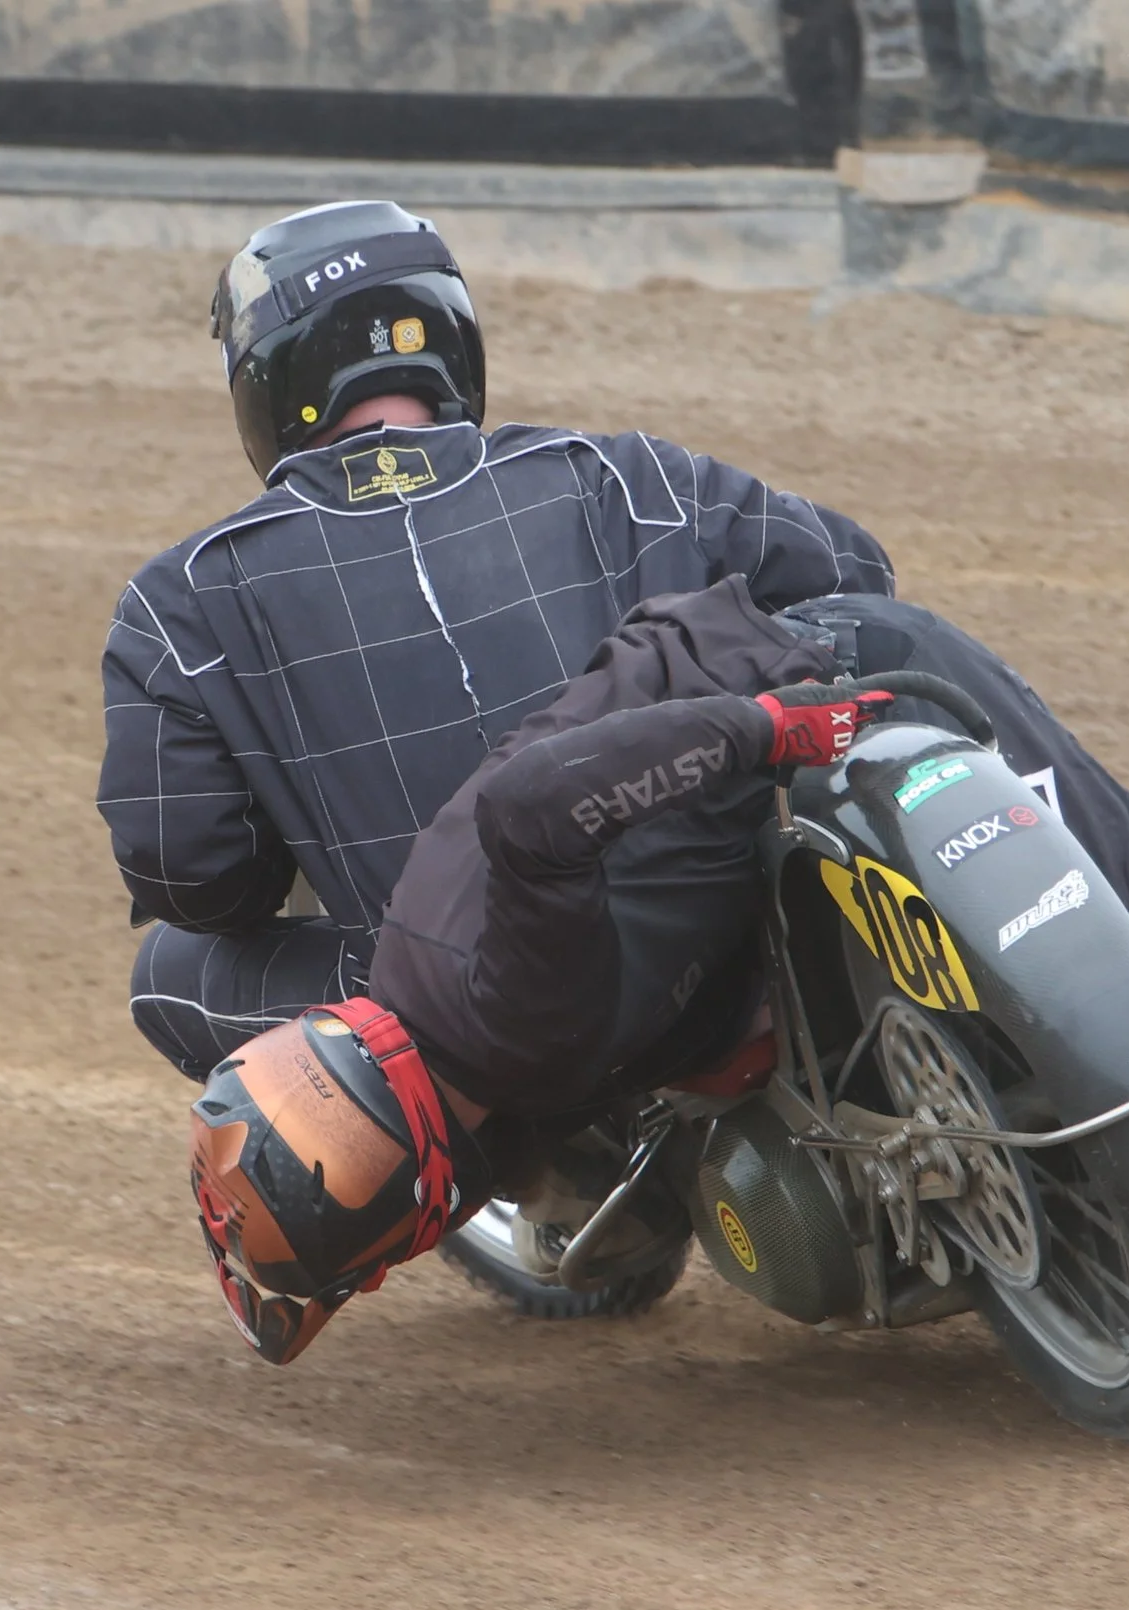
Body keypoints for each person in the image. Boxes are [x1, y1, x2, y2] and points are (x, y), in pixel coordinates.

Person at [183, 578, 1129, 1363]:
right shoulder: (420, 986)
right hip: (802, 736)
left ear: (412, 1215)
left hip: (855, 708)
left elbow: (533, 805)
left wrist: (776, 729)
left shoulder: (497, 1016)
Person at [98, 200, 894, 1081]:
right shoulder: (623, 478)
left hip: (482, 1023)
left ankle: (472, 1181)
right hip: (714, 947)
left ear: (268, 385)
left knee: (166, 974)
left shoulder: (182, 600)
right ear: (449, 339)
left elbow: (191, 877)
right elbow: (853, 576)